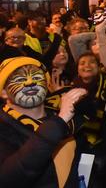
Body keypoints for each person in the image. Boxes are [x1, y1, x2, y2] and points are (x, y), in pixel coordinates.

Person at [0, 56, 88, 187]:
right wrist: (59, 121)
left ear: (47, 85)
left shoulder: (68, 119)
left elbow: (83, 166)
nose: (30, 83)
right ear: (3, 92)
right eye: (20, 79)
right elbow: (9, 178)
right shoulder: (4, 126)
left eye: (36, 78)